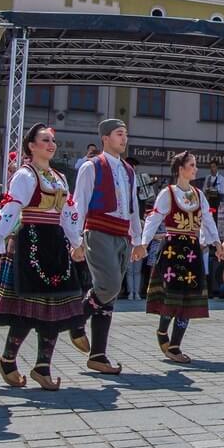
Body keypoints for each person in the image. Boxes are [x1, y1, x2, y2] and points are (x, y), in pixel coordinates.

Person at [0, 124, 86, 389]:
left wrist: (76, 241)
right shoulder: (25, 175)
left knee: (54, 307)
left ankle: (42, 367)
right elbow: (11, 208)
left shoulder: (59, 177)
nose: (51, 144)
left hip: (54, 243)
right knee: (28, 309)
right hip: (31, 241)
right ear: (31, 146)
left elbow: (67, 213)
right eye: (45, 140)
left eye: (53, 140)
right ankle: (8, 359)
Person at [69, 119, 142, 374]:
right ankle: (76, 320)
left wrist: (138, 240)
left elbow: (133, 206)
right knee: (108, 285)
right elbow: (79, 204)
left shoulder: (128, 170)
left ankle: (98, 355)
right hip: (98, 230)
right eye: (119, 134)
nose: (124, 139)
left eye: (125, 134)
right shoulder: (92, 167)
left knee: (110, 294)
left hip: (122, 234)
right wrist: (75, 240)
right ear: (105, 138)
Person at [139, 152, 224, 363]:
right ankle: (162, 331)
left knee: (188, 298)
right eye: (192, 165)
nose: (196, 169)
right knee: (173, 295)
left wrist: (217, 243)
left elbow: (207, 221)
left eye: (195, 165)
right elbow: (154, 218)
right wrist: (143, 243)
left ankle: (175, 345)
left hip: (193, 250)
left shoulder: (198, 194)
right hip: (172, 249)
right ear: (180, 169)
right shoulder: (168, 193)